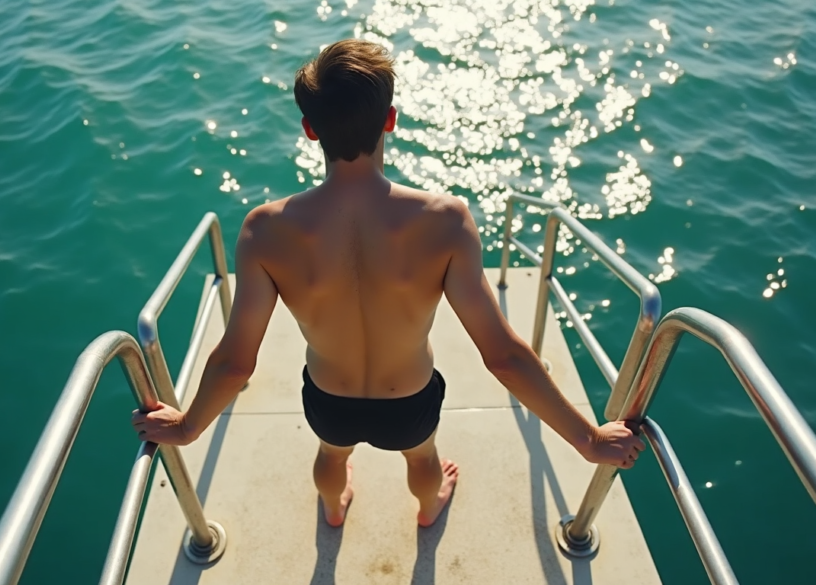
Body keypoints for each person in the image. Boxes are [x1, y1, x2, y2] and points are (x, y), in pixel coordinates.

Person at [131, 39, 644, 529]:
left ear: (310, 130)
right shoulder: (445, 219)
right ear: (390, 121)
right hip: (410, 399)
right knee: (423, 461)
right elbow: (503, 355)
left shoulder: (265, 229)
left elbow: (235, 360)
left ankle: (333, 507)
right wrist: (589, 440)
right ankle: (429, 508)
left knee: (331, 456)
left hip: (328, 398)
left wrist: (187, 426)